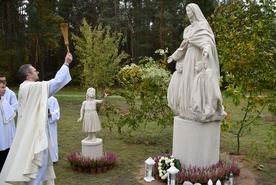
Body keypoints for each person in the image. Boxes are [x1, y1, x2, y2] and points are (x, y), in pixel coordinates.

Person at [0, 53, 73, 185]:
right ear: (28, 75)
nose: (37, 71)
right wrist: (66, 64)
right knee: (36, 168)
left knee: (31, 168)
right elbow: (55, 83)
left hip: (28, 133)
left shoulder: (24, 87)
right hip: (35, 135)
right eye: (34, 70)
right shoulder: (32, 87)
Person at [167, 3, 224, 121]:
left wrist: (206, 50)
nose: (188, 14)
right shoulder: (188, 29)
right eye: (186, 11)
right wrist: (175, 57)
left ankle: (198, 108)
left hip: (198, 56)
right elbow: (184, 46)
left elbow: (207, 41)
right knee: (187, 81)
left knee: (195, 81)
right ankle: (187, 110)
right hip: (188, 56)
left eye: (189, 11)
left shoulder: (202, 25)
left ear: (195, 12)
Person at [0, 80, 16, 173]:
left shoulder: (4, 101)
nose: (5, 90)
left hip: (4, 136)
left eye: (4, 87)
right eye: (2, 87)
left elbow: (10, 114)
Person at [48, 96, 60, 163]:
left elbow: (57, 113)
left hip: (50, 123)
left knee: (52, 139)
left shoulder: (53, 99)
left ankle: (53, 158)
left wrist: (50, 114)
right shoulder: (39, 96)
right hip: (40, 123)